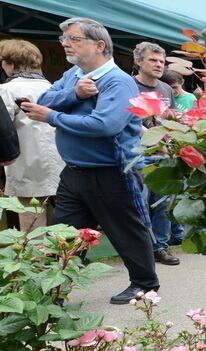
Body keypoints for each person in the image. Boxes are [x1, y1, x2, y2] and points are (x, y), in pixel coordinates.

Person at [22, 17, 158, 304]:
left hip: (112, 170)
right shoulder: (74, 74)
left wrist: (53, 117)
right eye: (64, 40)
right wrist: (74, 94)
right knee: (66, 234)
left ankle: (144, 284)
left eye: (74, 39)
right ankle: (56, 291)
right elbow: (46, 97)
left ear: (99, 45)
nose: (65, 44)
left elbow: (105, 125)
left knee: (125, 229)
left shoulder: (118, 81)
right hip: (74, 171)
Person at [0, 38, 63, 231]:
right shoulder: (54, 88)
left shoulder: (6, 90)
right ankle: (64, 260)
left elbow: (2, 130)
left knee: (33, 223)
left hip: (27, 165)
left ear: (9, 63)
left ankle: (37, 261)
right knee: (62, 222)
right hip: (63, 164)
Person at [132, 41, 180, 266]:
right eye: (153, 60)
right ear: (138, 61)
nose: (159, 65)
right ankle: (140, 249)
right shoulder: (128, 85)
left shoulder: (166, 89)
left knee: (162, 203)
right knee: (139, 203)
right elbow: (129, 121)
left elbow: (168, 119)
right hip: (138, 152)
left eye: (162, 61)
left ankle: (160, 247)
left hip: (164, 152)